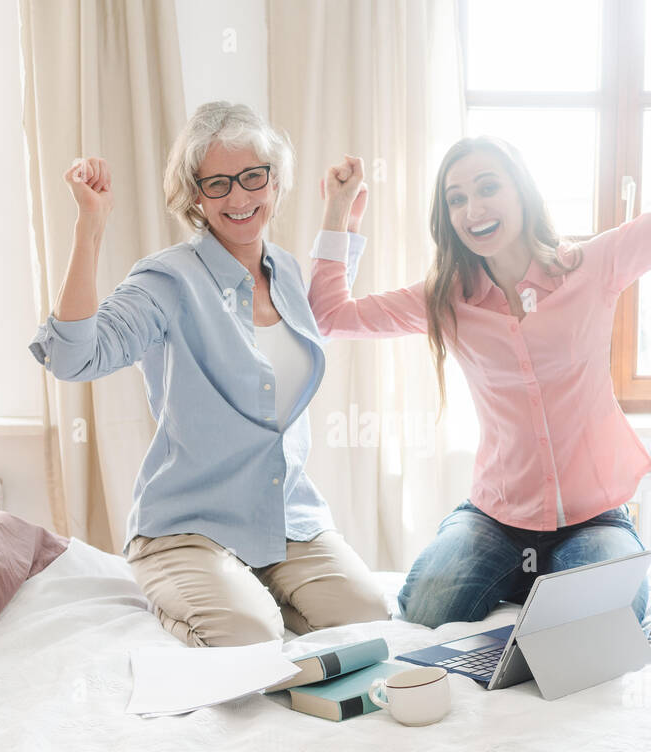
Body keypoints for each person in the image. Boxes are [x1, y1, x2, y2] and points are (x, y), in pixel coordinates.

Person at [308, 7, 651, 629]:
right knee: (422, 612)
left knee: (597, 630)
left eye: (487, 188)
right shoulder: (445, 299)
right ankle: (515, 580)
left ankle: (551, 590)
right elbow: (329, 313)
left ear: (520, 192)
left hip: (594, 518)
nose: (473, 207)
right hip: (495, 519)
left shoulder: (592, 266)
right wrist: (339, 213)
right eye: (456, 199)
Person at [29, 101, 389, 647]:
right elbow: (73, 357)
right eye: (217, 184)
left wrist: (338, 212)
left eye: (252, 177)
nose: (239, 198)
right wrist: (90, 228)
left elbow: (326, 314)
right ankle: (222, 603)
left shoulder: (286, 271)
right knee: (247, 634)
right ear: (194, 196)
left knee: (366, 616)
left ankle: (258, 596)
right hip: (188, 527)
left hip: (286, 517)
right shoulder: (167, 280)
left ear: (274, 183)